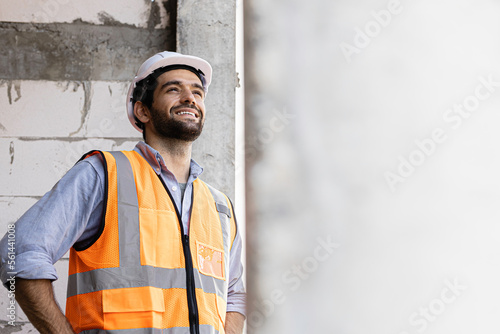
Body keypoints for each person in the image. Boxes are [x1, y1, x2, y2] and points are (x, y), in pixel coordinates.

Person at [0, 51, 246, 334]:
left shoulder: (220, 207)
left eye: (197, 92)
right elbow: (18, 252)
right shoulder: (104, 174)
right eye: (174, 89)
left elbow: (235, 294)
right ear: (143, 111)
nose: (190, 98)